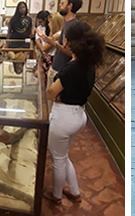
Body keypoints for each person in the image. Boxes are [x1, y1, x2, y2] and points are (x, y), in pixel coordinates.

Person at [41, 26, 106, 203]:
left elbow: (52, 92)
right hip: (79, 115)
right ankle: (75, 191)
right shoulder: (88, 65)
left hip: (64, 117)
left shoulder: (72, 69)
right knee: (63, 155)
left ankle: (56, 195)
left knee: (58, 159)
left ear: (69, 41)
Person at [49, 0, 83, 84]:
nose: (60, 5)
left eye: (63, 3)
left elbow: (71, 52)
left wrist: (54, 44)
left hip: (61, 70)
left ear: (70, 6)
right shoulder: (67, 23)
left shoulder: (73, 26)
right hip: (57, 68)